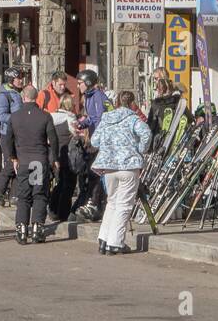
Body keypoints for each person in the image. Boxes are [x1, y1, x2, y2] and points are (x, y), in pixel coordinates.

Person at [90, 90, 152, 256]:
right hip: (128, 165)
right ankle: (115, 243)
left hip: (109, 166)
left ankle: (104, 239)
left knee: (112, 202)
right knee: (124, 205)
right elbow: (146, 133)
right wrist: (140, 149)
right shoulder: (133, 119)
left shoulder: (106, 119)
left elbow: (94, 140)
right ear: (132, 103)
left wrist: (108, 146)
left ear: (116, 102)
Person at [2, 85, 59, 245]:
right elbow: (53, 140)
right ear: (36, 98)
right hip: (38, 161)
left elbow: (8, 140)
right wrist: (54, 158)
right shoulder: (45, 116)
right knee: (39, 194)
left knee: (23, 196)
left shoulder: (15, 117)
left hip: (23, 160)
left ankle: (21, 229)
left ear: (23, 97)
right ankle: (37, 227)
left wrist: (12, 157)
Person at [73, 70, 109, 221]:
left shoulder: (98, 96)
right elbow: (92, 119)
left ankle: (94, 204)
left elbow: (101, 120)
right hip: (95, 139)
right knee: (92, 172)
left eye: (80, 83)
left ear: (87, 83)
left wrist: (98, 140)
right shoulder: (88, 97)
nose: (78, 86)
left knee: (96, 173)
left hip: (101, 141)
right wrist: (81, 124)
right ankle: (95, 203)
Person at [0, 66, 26, 206]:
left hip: (20, 133)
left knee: (20, 163)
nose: (21, 80)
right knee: (11, 164)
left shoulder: (17, 93)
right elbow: (2, 116)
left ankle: (15, 195)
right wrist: (19, 118)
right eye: (19, 78)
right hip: (8, 134)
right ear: (11, 80)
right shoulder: (3, 95)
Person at [48, 94, 79, 222]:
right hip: (67, 156)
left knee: (59, 183)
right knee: (68, 184)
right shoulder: (70, 118)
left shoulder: (51, 117)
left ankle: (53, 208)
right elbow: (76, 135)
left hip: (54, 155)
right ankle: (63, 212)